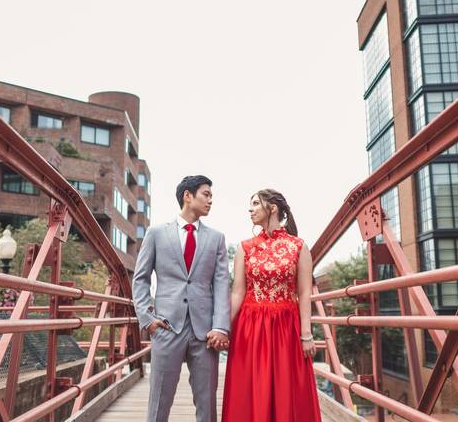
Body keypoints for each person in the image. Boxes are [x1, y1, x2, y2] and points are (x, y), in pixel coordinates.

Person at [132, 174, 231, 422]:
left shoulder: (216, 238)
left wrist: (220, 326)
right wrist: (147, 319)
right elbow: (140, 278)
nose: (210, 201)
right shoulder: (156, 233)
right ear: (188, 196)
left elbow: (221, 285)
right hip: (166, 327)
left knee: (207, 402)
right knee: (159, 401)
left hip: (205, 332)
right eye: (206, 194)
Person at [221, 188, 322, 421]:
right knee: (250, 388)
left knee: (287, 389)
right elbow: (237, 292)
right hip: (250, 328)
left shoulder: (298, 247)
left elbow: (305, 292)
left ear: (272, 208)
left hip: (287, 327)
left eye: (256, 203)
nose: (250, 209)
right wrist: (223, 327)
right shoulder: (244, 248)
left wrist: (307, 334)